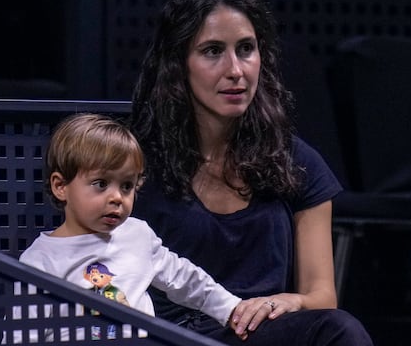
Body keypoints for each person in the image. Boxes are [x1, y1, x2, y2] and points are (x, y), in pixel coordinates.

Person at [129, 0, 374, 345]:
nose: (235, 70)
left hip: (259, 332)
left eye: (246, 49)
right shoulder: (135, 161)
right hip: (168, 336)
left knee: (339, 330)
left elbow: (322, 296)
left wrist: (289, 301)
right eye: (213, 51)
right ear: (179, 63)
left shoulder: (295, 160)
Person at [17, 113, 249, 341]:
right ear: (61, 186)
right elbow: (23, 335)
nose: (117, 197)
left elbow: (185, 279)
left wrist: (232, 309)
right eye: (101, 184)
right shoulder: (40, 261)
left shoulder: (137, 235)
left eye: (127, 186)